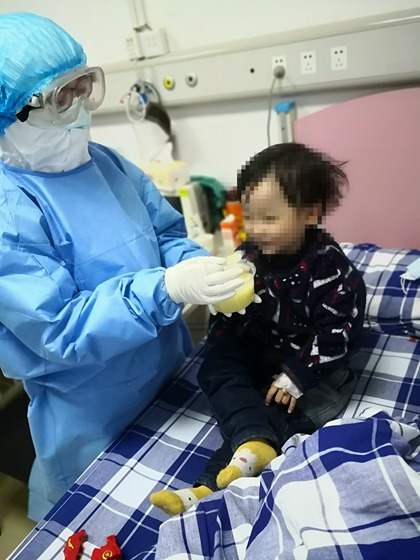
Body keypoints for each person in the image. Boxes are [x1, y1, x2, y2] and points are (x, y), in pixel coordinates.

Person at [0, 12, 245, 521]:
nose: (81, 107)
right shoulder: (10, 211)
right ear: (11, 113)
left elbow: (165, 236)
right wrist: (166, 289)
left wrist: (201, 271)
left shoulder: (107, 163)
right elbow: (59, 329)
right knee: (109, 530)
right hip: (92, 417)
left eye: (84, 86)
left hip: (170, 377)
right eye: (62, 96)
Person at [150, 142, 366, 515]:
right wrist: (223, 310)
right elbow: (235, 318)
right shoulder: (251, 254)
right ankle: (251, 443)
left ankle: (206, 488)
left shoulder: (331, 271)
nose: (255, 229)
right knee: (215, 366)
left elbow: (338, 334)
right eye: (249, 217)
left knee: (284, 412)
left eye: (268, 219)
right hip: (263, 353)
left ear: (310, 213)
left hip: (311, 369)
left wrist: (299, 374)